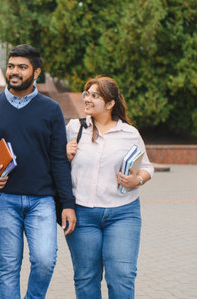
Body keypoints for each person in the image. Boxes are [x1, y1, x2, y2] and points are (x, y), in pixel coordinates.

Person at [0, 44, 77, 299]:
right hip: (2, 199)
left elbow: (59, 160)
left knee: (45, 260)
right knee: (8, 267)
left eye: (22, 67)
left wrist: (68, 204)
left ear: (36, 72)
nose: (14, 71)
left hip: (42, 201)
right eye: (11, 66)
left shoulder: (51, 110)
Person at [65, 76, 154, 299]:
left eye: (95, 96)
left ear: (110, 103)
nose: (87, 99)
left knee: (122, 276)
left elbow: (147, 167)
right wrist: (64, 154)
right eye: (86, 94)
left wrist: (138, 180)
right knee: (86, 278)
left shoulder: (129, 133)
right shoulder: (74, 128)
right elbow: (56, 166)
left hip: (123, 213)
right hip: (82, 214)